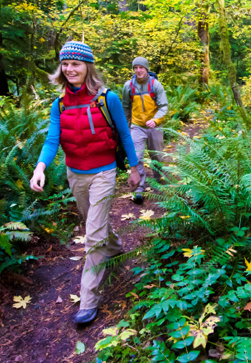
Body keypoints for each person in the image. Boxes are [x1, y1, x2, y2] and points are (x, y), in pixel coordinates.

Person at [29, 41, 140, 325]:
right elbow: (53, 138)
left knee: (92, 235)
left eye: (75, 64)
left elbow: (125, 136)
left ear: (87, 66)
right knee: (95, 223)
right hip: (75, 173)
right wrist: (40, 168)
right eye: (65, 64)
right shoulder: (60, 103)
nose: (69, 69)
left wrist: (135, 169)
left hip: (104, 172)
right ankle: (114, 248)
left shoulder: (107, 99)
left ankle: (88, 300)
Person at [122, 57, 168, 203]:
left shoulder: (155, 85)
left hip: (154, 125)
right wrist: (125, 126)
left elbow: (164, 106)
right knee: (137, 157)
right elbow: (125, 108)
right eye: (135, 68)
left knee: (156, 156)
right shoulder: (128, 86)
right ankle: (139, 189)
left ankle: (158, 179)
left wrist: (155, 120)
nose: (138, 70)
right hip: (137, 126)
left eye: (141, 67)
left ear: (146, 69)